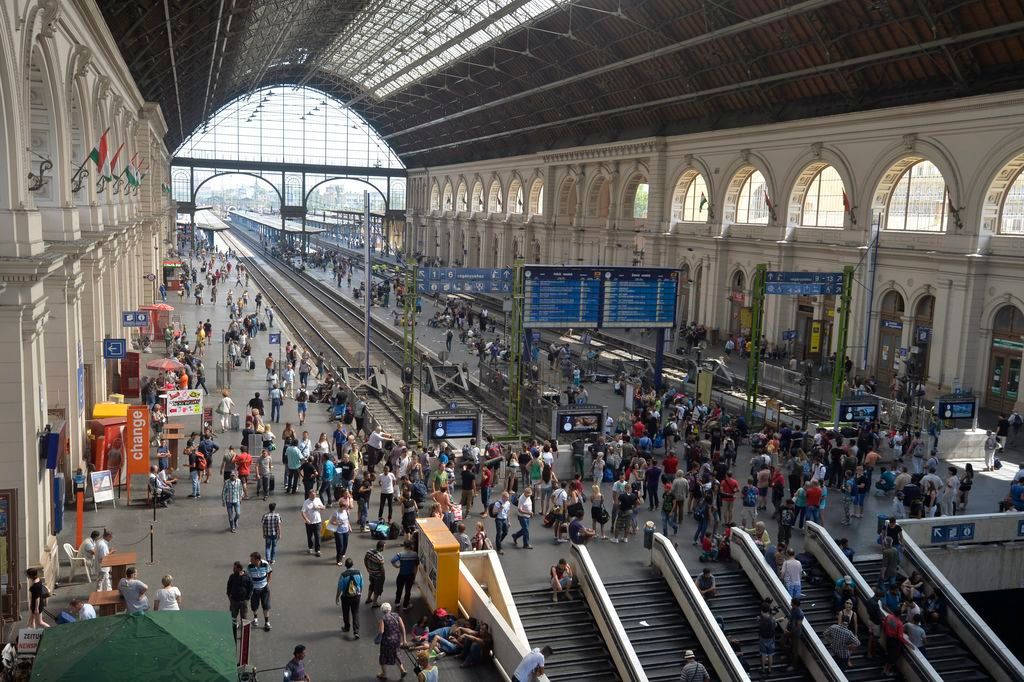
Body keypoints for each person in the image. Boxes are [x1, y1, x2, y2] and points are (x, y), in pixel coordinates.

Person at [378, 603, 408, 679]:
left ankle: (383, 674)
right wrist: (404, 639)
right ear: (390, 608)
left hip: (387, 641)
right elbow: (403, 627)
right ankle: (402, 670)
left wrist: (378, 629)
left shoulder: (383, 619)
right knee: (396, 654)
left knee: (383, 656)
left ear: (382, 610)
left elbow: (381, 631)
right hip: (397, 639)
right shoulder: (396, 616)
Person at [336, 557, 363, 638]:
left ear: (345, 566)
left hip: (346, 597)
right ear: (353, 565)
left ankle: (347, 627)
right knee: (355, 613)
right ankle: (356, 631)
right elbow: (361, 584)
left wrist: (337, 597)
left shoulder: (343, 575)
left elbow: (340, 588)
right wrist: (360, 592)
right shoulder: (358, 573)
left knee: (346, 612)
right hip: (356, 596)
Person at [227, 561, 253, 639]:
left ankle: (244, 636)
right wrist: (230, 597)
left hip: (243, 602)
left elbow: (251, 588)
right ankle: (233, 635)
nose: (233, 569)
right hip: (234, 601)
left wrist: (247, 598)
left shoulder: (247, 577)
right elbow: (229, 586)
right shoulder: (232, 576)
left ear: (239, 569)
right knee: (233, 618)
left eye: (234, 568)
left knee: (244, 619)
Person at [247, 552, 273, 631]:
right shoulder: (250, 566)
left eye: (252, 559)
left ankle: (267, 622)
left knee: (266, 606)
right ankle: (255, 619)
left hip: (264, 588)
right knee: (254, 606)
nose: (250, 560)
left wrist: (267, 583)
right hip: (254, 589)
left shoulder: (265, 564)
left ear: (257, 560)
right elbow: (248, 577)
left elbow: (269, 572)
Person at [391, 541, 419, 610]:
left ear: (404, 546)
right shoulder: (415, 554)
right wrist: (414, 576)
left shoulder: (400, 554)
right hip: (410, 575)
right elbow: (416, 566)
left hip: (401, 575)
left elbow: (393, 560)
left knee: (399, 589)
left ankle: (397, 602)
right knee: (408, 591)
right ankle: (405, 605)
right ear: (411, 546)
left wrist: (397, 566)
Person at [301, 489, 326, 557]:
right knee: (310, 536)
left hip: (317, 521)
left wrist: (319, 507)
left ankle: (318, 550)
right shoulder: (306, 502)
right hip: (309, 522)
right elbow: (302, 512)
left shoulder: (318, 499)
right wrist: (306, 519)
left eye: (315, 495)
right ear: (309, 495)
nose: (314, 497)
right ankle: (310, 547)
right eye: (312, 495)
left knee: (317, 536)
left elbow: (323, 507)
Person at [364, 540, 387, 608]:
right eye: (384, 547)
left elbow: (365, 560)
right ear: (381, 548)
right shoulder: (380, 558)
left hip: (371, 573)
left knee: (371, 585)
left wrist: (367, 569)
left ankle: (368, 598)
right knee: (377, 589)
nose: (385, 548)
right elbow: (381, 568)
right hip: (378, 576)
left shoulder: (369, 552)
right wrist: (383, 577)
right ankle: (374, 603)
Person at [329, 500, 352, 565]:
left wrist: (349, 527)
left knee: (345, 544)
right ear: (342, 507)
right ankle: (338, 560)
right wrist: (337, 523)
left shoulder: (345, 511)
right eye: (346, 506)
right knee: (340, 546)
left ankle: (342, 553)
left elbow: (347, 520)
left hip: (345, 530)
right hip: (338, 531)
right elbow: (331, 521)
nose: (347, 508)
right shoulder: (336, 513)